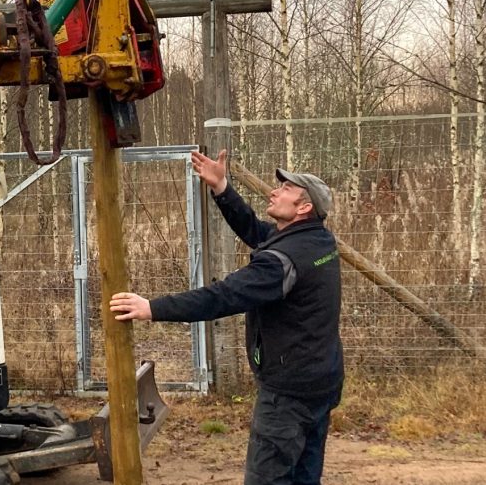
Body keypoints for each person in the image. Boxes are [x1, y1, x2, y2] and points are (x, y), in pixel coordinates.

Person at [109, 149, 344, 485]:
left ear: (304, 207)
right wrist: (222, 188)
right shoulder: (318, 241)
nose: (273, 191)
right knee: (304, 475)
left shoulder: (282, 261)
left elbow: (223, 296)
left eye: (286, 189)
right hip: (322, 380)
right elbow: (258, 232)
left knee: (269, 478)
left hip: (288, 394)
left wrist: (153, 308)